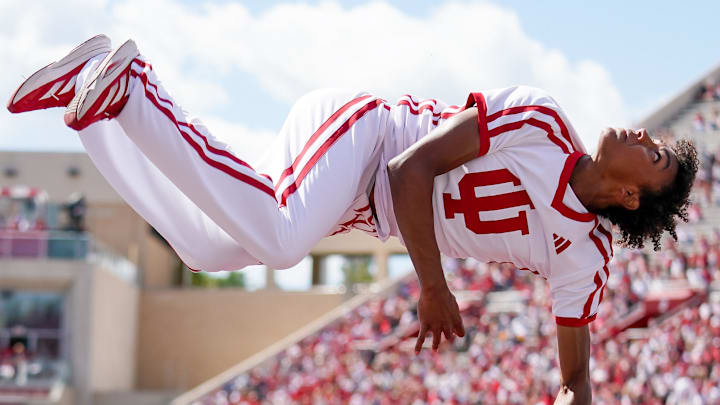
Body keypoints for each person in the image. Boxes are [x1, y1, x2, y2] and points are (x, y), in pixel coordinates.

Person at [8, 35, 698, 404]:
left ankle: (96, 107)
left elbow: (576, 377)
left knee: (204, 248)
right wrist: (433, 286)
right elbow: (410, 173)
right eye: (654, 138)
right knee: (280, 239)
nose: (644, 137)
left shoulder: (582, 256)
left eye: (657, 155)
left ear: (635, 198)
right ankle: (135, 88)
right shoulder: (542, 122)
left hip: (352, 202)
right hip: (366, 136)